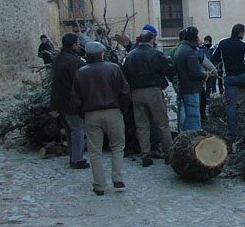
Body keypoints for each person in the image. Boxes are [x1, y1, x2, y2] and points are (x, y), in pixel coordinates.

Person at [71, 41, 131, 196]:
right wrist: (123, 110)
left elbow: (76, 98)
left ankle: (99, 185)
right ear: (102, 54)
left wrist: (83, 113)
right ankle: (117, 178)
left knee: (94, 150)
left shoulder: (80, 73)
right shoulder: (114, 68)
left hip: (91, 113)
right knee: (117, 146)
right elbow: (124, 91)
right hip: (113, 111)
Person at [122, 30, 174, 167]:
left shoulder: (131, 55)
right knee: (162, 123)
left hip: (136, 92)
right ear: (152, 40)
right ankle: (168, 153)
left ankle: (145, 154)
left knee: (142, 125)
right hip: (153, 91)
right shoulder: (155, 54)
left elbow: (125, 75)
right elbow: (167, 71)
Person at [212, 24, 245, 143]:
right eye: (244, 32)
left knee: (231, 104)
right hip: (243, 75)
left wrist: (220, 64)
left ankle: (232, 131)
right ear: (240, 33)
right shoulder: (244, 46)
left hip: (229, 78)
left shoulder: (222, 43)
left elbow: (214, 56)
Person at [50, 32, 89, 169]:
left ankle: (73, 156)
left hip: (59, 100)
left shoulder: (58, 58)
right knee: (77, 130)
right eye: (77, 43)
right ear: (73, 44)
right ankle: (77, 159)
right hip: (71, 101)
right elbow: (79, 81)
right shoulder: (73, 62)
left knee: (69, 130)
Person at [173, 26, 206, 131]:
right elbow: (194, 72)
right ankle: (193, 136)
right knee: (193, 116)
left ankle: (184, 134)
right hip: (191, 88)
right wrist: (204, 74)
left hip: (184, 87)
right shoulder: (189, 52)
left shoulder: (180, 50)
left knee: (186, 114)